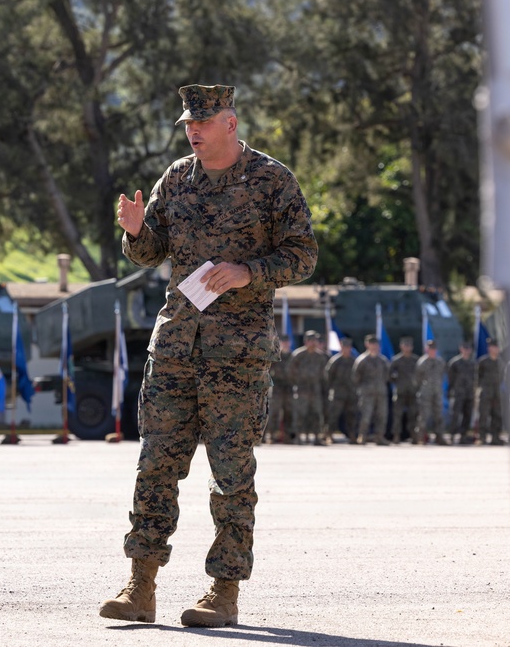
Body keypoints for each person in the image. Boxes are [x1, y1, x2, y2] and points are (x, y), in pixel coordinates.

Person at [101, 84, 317, 628]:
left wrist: (250, 272)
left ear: (231, 123)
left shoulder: (272, 180)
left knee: (231, 476)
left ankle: (223, 592)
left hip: (237, 356)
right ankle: (141, 585)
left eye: (205, 121)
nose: (193, 131)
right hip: (174, 347)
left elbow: (303, 254)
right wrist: (135, 231)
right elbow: (153, 252)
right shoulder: (175, 178)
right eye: (188, 123)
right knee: (155, 467)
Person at [289, 330, 329, 445]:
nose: (313, 343)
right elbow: (290, 371)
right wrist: (297, 382)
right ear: (306, 341)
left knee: (316, 413)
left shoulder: (321, 356)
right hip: (302, 389)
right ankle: (298, 437)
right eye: (311, 340)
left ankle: (317, 437)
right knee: (301, 413)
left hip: (315, 389)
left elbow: (325, 374)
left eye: (315, 340)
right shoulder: (298, 355)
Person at [353, 334, 391, 445]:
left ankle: (379, 437)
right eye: (371, 343)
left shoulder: (382, 361)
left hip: (380, 392)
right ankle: (362, 436)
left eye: (376, 344)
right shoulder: (362, 360)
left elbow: (386, 376)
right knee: (366, 415)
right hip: (367, 393)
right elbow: (356, 377)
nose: (374, 346)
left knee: (381, 416)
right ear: (367, 345)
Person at [414, 340, 448, 445]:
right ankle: (420, 437)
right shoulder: (422, 362)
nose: (432, 351)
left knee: (438, 415)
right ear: (426, 349)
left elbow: (442, 375)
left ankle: (439, 437)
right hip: (426, 392)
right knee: (424, 415)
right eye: (430, 349)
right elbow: (417, 378)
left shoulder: (440, 362)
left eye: (433, 349)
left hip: (437, 392)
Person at [325, 336, 358, 443]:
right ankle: (329, 434)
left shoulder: (354, 361)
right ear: (341, 347)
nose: (346, 349)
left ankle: (352, 435)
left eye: (348, 347)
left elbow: (358, 376)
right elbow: (328, 376)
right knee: (334, 415)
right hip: (338, 393)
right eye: (344, 347)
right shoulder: (335, 361)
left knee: (351, 416)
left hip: (351, 393)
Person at [264, 335, 294, 444]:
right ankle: (271, 435)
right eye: (284, 342)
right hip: (277, 388)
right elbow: (269, 370)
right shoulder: (276, 355)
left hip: (288, 388)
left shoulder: (293, 356)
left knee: (288, 413)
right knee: (274, 413)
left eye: (287, 342)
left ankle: (287, 436)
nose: (285, 344)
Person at [389, 337, 419, 443]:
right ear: (401, 346)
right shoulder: (396, 360)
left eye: (409, 346)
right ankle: (396, 435)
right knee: (397, 415)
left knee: (413, 415)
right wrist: (396, 380)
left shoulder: (415, 360)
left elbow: (420, 375)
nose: (407, 348)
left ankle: (413, 435)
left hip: (412, 392)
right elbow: (389, 375)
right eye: (405, 345)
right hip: (400, 391)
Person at [448, 341, 478, 444]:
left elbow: (476, 378)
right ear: (461, 349)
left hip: (469, 394)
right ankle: (452, 435)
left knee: (467, 416)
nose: (466, 351)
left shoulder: (473, 363)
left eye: (468, 349)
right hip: (458, 394)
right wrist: (451, 391)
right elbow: (450, 379)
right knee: (455, 415)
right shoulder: (454, 363)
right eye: (464, 348)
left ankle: (463, 436)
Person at [477, 339, 506, 445]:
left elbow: (503, 377)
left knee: (497, 415)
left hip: (497, 393)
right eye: (493, 347)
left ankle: (495, 437)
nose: (495, 349)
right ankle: (482, 437)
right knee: (484, 415)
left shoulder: (501, 362)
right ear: (489, 348)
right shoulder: (483, 362)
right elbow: (478, 377)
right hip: (486, 393)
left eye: (497, 347)